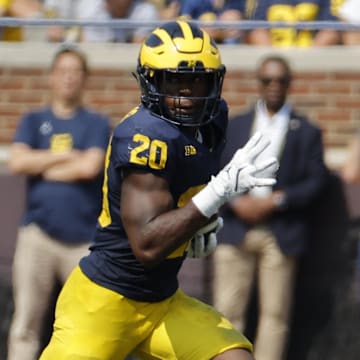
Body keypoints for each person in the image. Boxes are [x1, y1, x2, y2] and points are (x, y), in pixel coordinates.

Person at [39, 20, 279, 360]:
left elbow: (178, 200)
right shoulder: (146, 135)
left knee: (234, 356)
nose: (187, 93)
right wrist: (220, 191)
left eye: (199, 81)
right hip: (105, 302)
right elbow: (148, 245)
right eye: (174, 80)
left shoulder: (211, 123)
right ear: (150, 81)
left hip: (162, 302)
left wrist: (198, 228)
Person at [212, 55, 329, 360]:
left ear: (290, 84)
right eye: (267, 80)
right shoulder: (236, 125)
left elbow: (316, 180)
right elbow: (217, 170)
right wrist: (238, 201)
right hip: (235, 226)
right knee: (225, 313)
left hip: (281, 229)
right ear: (258, 83)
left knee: (275, 317)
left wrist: (276, 200)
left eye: (280, 80)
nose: (274, 86)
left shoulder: (306, 130)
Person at [6, 44, 112, 360]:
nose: (68, 78)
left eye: (75, 72)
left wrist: (44, 164)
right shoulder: (33, 119)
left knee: (85, 323)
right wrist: (66, 156)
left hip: (83, 242)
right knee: (26, 323)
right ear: (52, 77)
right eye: (63, 71)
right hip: (37, 236)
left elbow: (90, 167)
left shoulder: (95, 123)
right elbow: (18, 162)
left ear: (85, 79)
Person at [248, 0, 340, 47]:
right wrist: (274, 58)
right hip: (275, 54)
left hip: (311, 55)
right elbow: (258, 31)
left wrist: (308, 58)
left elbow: (329, 31)